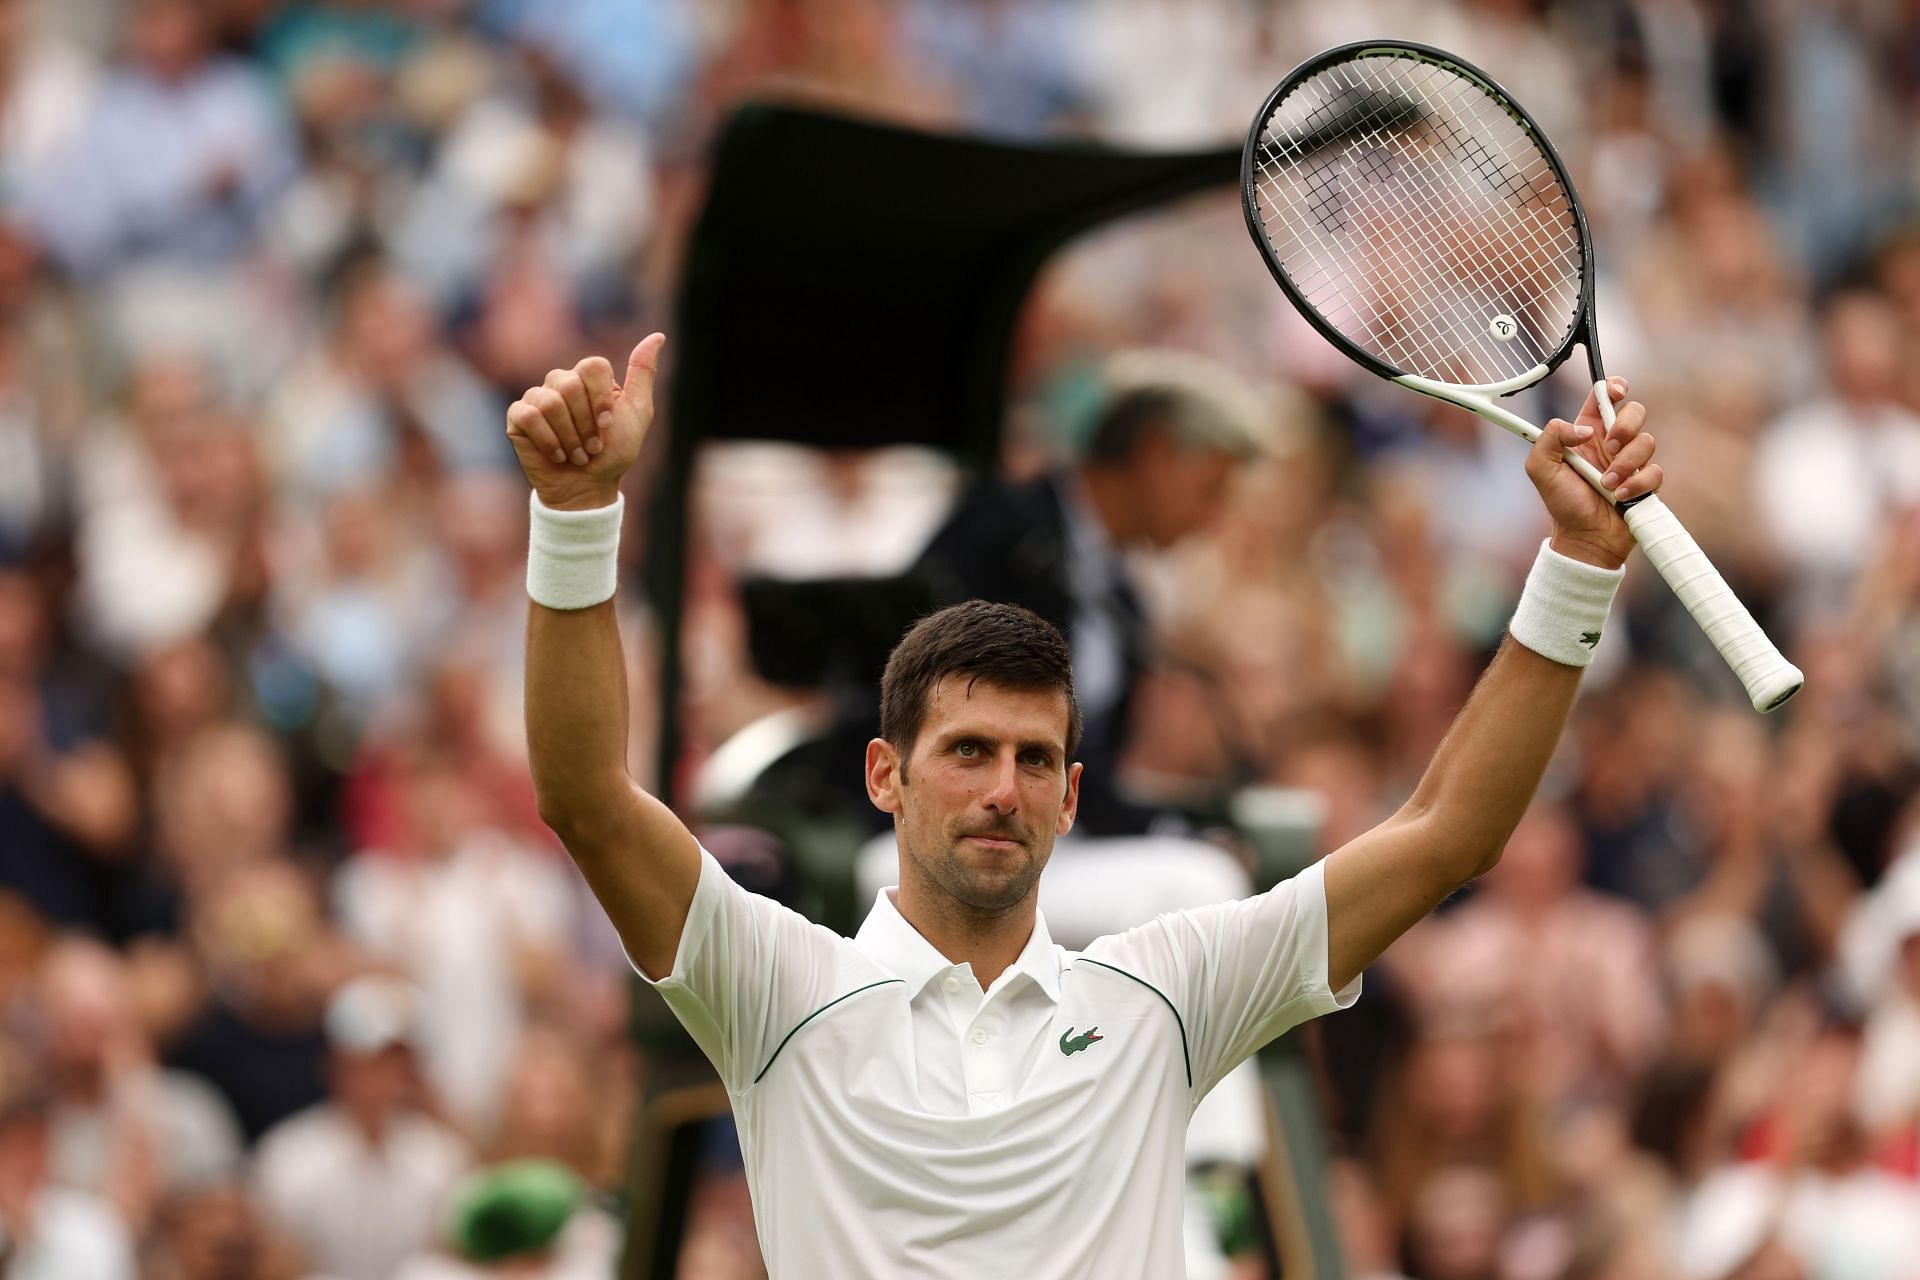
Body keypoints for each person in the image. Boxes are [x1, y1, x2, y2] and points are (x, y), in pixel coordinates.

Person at [504, 333, 1663, 1276]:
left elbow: (1449, 831)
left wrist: (1575, 560)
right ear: (882, 777)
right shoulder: (780, 987)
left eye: (1030, 759)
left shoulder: (1163, 990)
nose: (999, 788)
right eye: (964, 749)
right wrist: (574, 515)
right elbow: (587, 798)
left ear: (1070, 798)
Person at [914, 350, 1265, 835]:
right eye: (1210, 489)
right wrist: (1164, 828)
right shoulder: (1006, 532)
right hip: (945, 824)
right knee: (1198, 875)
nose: (1215, 517)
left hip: (1045, 830)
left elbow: (1088, 769)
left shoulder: (1121, 597)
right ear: (1155, 453)